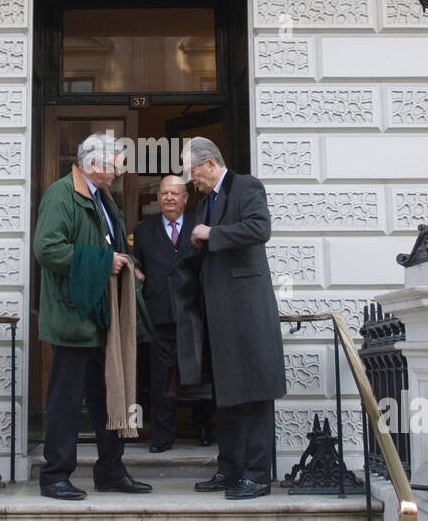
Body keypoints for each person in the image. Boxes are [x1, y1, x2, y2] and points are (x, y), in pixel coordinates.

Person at [33, 133, 153, 500]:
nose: (119, 171)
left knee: (110, 397)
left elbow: (111, 247)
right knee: (66, 401)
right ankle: (55, 475)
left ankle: (111, 470)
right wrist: (106, 262)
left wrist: (126, 263)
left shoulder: (104, 199)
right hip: (74, 317)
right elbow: (48, 249)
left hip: (104, 315)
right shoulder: (61, 195)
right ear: (94, 164)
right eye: (116, 163)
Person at [174, 137, 286, 499]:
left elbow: (260, 228)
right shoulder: (206, 201)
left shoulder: (247, 186)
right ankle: (229, 469)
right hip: (218, 315)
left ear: (210, 163)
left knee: (254, 393)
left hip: (248, 312)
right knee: (227, 395)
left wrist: (212, 233)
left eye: (193, 171)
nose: (192, 180)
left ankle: (257, 476)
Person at [133, 175, 212, 452]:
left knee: (198, 374)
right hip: (160, 313)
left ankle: (205, 428)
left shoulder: (199, 227)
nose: (168, 198)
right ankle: (163, 436)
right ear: (158, 198)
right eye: (164, 193)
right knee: (161, 378)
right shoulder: (143, 231)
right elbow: (137, 266)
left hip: (194, 312)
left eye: (174, 194)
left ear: (185, 198)